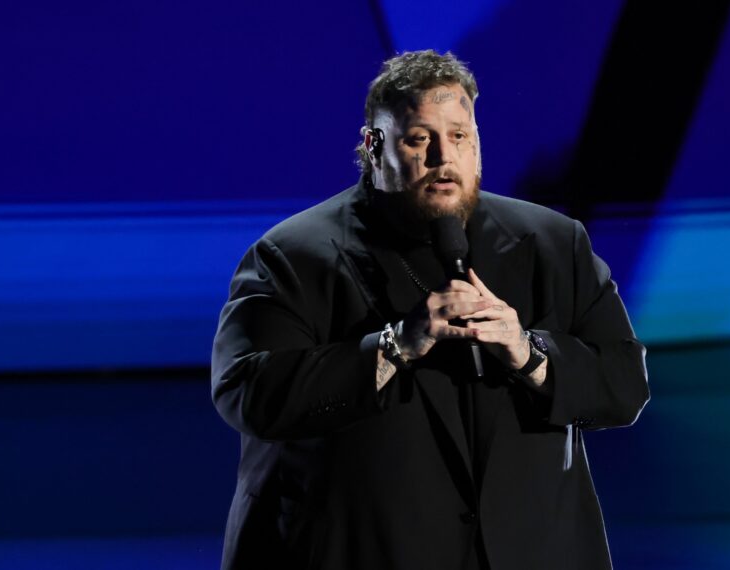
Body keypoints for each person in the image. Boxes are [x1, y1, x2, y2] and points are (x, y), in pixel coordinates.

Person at [211, 49, 649, 570]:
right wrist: (394, 345)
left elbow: (624, 386)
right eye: (420, 139)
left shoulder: (552, 244)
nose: (444, 157)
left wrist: (529, 353)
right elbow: (245, 392)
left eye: (460, 137)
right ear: (375, 146)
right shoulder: (295, 255)